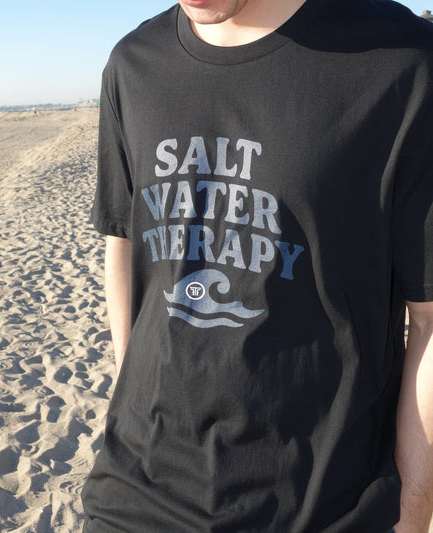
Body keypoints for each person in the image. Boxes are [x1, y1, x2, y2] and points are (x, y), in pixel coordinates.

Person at [81, 0, 433, 531]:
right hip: (133, 496)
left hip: (323, 507)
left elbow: (428, 318)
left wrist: (411, 516)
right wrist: (127, 392)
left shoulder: (403, 62)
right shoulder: (133, 64)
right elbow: (125, 240)